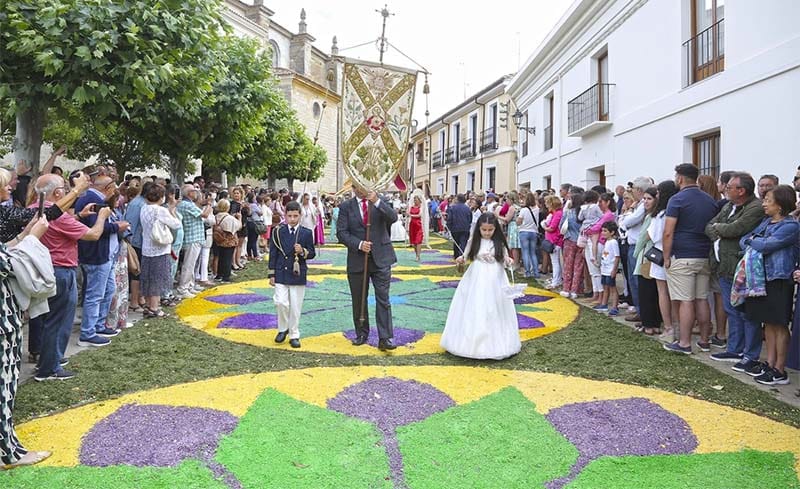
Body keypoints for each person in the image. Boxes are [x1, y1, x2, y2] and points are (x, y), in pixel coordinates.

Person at [1, 215, 52, 468]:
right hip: (3, 325)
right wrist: (32, 239)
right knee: (4, 388)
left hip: (6, 321)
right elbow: (5, 263)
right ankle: (8, 453)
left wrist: (24, 236)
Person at [440, 212, 520, 360]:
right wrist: (461, 259)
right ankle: (470, 342)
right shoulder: (474, 240)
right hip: (477, 275)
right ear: (479, 228)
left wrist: (508, 260)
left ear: (495, 229)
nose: (487, 233)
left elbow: (504, 257)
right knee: (476, 304)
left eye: (490, 230)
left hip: (496, 277)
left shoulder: (499, 241)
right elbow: (465, 256)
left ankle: (495, 343)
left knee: (495, 306)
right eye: (484, 230)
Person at [740, 185, 799, 385]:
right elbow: (743, 240)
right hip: (761, 279)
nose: (764, 204)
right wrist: (753, 240)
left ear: (780, 205)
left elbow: (766, 246)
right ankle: (770, 362)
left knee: (779, 324)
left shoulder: (790, 226)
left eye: (768, 200)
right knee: (767, 322)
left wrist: (752, 241)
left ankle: (779, 369)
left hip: (779, 279)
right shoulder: (766, 222)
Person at [706, 172, 765, 370]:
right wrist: (720, 229)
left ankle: (750, 354)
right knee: (732, 310)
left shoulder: (755, 208)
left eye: (729, 187)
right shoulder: (728, 205)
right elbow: (709, 226)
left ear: (741, 191)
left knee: (747, 313)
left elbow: (736, 229)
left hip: (741, 268)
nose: (725, 189)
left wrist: (720, 228)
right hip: (724, 265)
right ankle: (734, 349)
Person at [662, 164, 720, 354]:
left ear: (680, 178)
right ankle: (704, 340)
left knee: (685, 300)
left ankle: (684, 343)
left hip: (682, 255)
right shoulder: (709, 200)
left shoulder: (677, 199)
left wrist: (666, 257)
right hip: (704, 255)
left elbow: (668, 232)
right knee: (701, 298)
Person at [336, 185, 398, 351]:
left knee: (383, 299)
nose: (362, 189)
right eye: (359, 186)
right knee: (359, 299)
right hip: (357, 260)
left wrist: (376, 201)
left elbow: (393, 218)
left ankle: (385, 337)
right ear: (354, 187)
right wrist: (359, 244)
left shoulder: (382, 201)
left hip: (381, 258)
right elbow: (341, 233)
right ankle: (362, 333)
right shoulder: (346, 207)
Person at [76, 176, 129, 347]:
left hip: (106, 254)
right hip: (96, 255)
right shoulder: (93, 200)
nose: (115, 192)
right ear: (108, 187)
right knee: (95, 294)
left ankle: (99, 325)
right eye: (114, 187)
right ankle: (88, 332)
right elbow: (96, 228)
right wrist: (117, 226)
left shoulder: (95, 198)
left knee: (108, 289)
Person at [268, 201, 316, 349]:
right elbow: (273, 253)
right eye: (289, 216)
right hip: (281, 271)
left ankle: (294, 334)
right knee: (280, 302)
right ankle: (283, 328)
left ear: (300, 215)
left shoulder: (306, 233)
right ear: (285, 215)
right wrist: (271, 273)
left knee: (295, 306)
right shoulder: (278, 231)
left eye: (295, 216)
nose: (292, 219)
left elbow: (312, 253)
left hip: (297, 272)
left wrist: (302, 251)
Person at [139, 184, 182, 319]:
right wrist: (172, 209)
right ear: (161, 197)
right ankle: (154, 307)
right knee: (158, 278)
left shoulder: (144, 208)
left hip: (147, 247)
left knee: (148, 278)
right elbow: (176, 224)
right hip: (160, 248)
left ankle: (148, 305)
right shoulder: (160, 210)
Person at [596, 221, 621, 316]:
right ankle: (604, 304)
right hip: (605, 269)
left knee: (612, 288)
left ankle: (615, 307)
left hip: (610, 269)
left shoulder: (613, 242)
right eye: (602, 230)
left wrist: (614, 270)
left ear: (612, 232)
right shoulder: (607, 242)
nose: (602, 233)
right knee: (605, 287)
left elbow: (617, 256)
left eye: (605, 231)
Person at [213, 199, 241, 283]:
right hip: (228, 240)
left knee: (220, 257)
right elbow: (238, 226)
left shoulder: (216, 216)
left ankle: (219, 274)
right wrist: (239, 218)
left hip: (218, 239)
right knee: (227, 258)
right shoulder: (229, 218)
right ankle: (226, 276)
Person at [518, 192, 540, 279]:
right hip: (534, 231)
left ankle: (527, 272)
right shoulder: (537, 209)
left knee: (525, 252)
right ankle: (536, 272)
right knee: (533, 253)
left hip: (524, 231)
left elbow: (519, 221)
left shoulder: (523, 210)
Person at [446, 193, 472, 259]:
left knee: (456, 243)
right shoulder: (467, 208)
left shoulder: (452, 208)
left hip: (455, 228)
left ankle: (456, 255)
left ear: (457, 199)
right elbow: (470, 219)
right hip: (465, 228)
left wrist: (448, 227)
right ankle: (462, 255)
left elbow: (450, 218)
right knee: (463, 242)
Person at [408, 195, 424, 261]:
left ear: (419, 201)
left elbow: (419, 215)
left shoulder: (421, 207)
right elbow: (408, 213)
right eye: (414, 200)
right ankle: (416, 254)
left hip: (418, 225)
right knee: (414, 241)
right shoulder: (411, 207)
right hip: (412, 225)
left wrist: (411, 215)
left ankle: (418, 255)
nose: (415, 201)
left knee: (418, 240)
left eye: (416, 200)